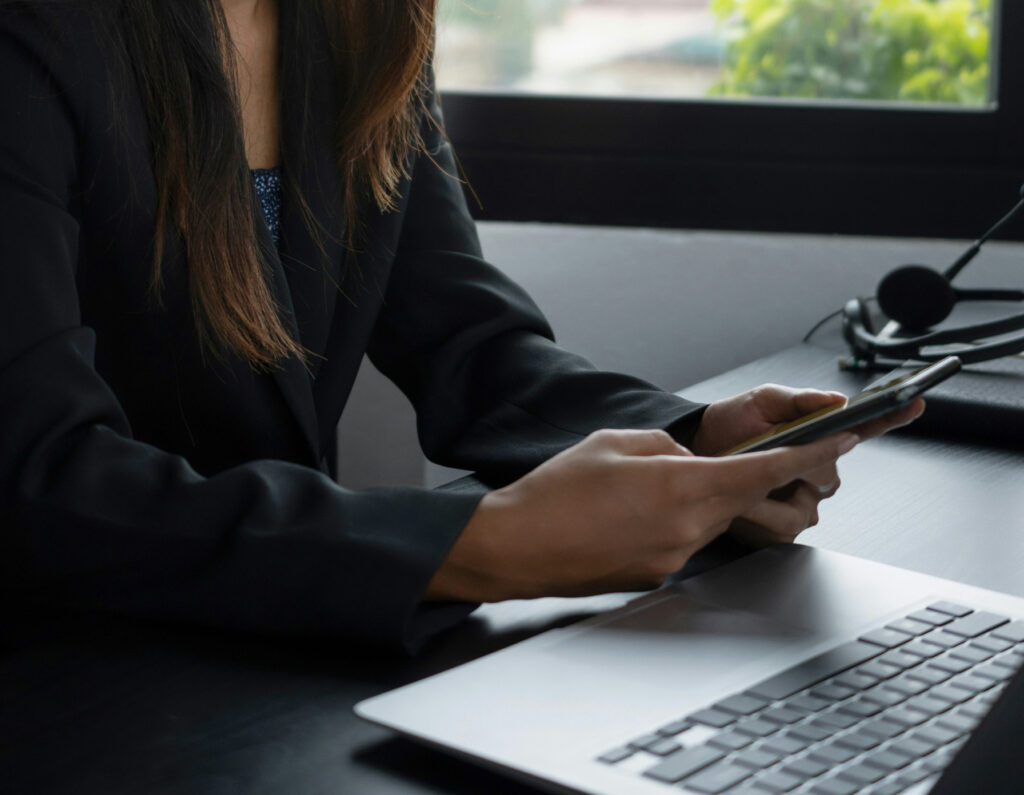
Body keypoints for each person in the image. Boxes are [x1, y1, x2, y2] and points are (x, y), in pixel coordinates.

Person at [0, 0, 921, 652]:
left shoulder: (359, 23)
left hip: (269, 655)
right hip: (68, 675)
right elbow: (38, 478)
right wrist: (481, 542)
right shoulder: (36, 36)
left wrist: (692, 443)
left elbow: (469, 343)